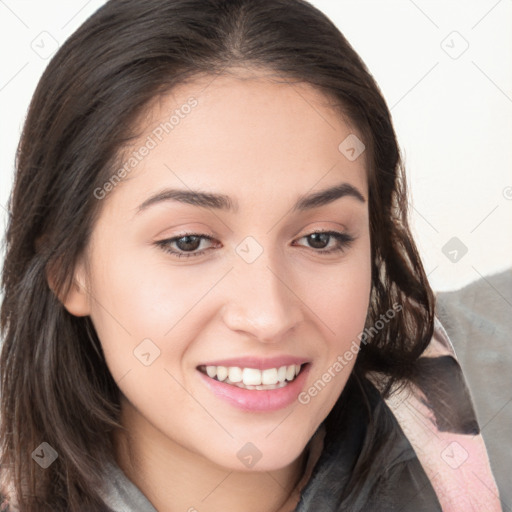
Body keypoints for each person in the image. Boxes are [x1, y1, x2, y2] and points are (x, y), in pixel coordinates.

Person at [0, 0, 501, 510]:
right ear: (68, 269)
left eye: (321, 238)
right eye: (189, 242)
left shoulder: (489, 392)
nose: (268, 315)